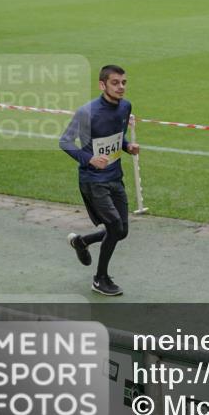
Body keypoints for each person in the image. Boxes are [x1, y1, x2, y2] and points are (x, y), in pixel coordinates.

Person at [59, 64, 139, 296]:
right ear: (102, 85)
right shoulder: (87, 112)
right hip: (93, 180)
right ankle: (100, 278)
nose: (121, 87)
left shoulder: (125, 107)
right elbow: (65, 141)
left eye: (124, 82)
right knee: (114, 226)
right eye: (115, 82)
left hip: (116, 176)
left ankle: (82, 242)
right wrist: (89, 159)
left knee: (121, 231)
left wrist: (127, 146)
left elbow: (116, 137)